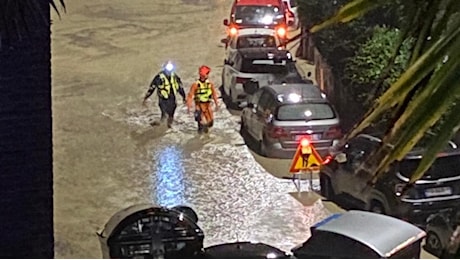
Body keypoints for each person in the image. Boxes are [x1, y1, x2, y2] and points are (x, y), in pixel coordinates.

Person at [143, 61, 186, 128]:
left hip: (172, 97)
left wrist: (183, 96)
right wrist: (146, 97)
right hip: (163, 98)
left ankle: (169, 123)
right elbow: (152, 87)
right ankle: (163, 122)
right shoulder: (159, 77)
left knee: (172, 110)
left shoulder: (174, 76)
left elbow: (180, 87)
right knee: (164, 111)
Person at [186, 65, 219, 134]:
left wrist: (217, 104)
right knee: (201, 123)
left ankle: (205, 134)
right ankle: (201, 136)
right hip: (199, 106)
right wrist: (189, 106)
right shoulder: (195, 85)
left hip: (207, 106)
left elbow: (214, 94)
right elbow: (190, 96)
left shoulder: (210, 84)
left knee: (210, 123)